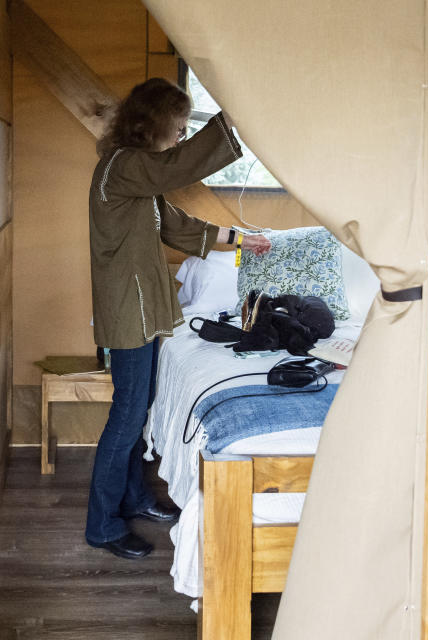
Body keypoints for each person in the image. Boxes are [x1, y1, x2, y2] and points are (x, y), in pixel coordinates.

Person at [86, 78, 270, 559]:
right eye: (178, 127)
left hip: (143, 308)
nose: (182, 137)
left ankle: (133, 498)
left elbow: (176, 227)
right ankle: (102, 525)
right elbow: (177, 166)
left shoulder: (136, 174)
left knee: (137, 409)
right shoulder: (124, 166)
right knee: (126, 418)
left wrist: (238, 238)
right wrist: (231, 120)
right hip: (128, 309)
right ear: (152, 125)